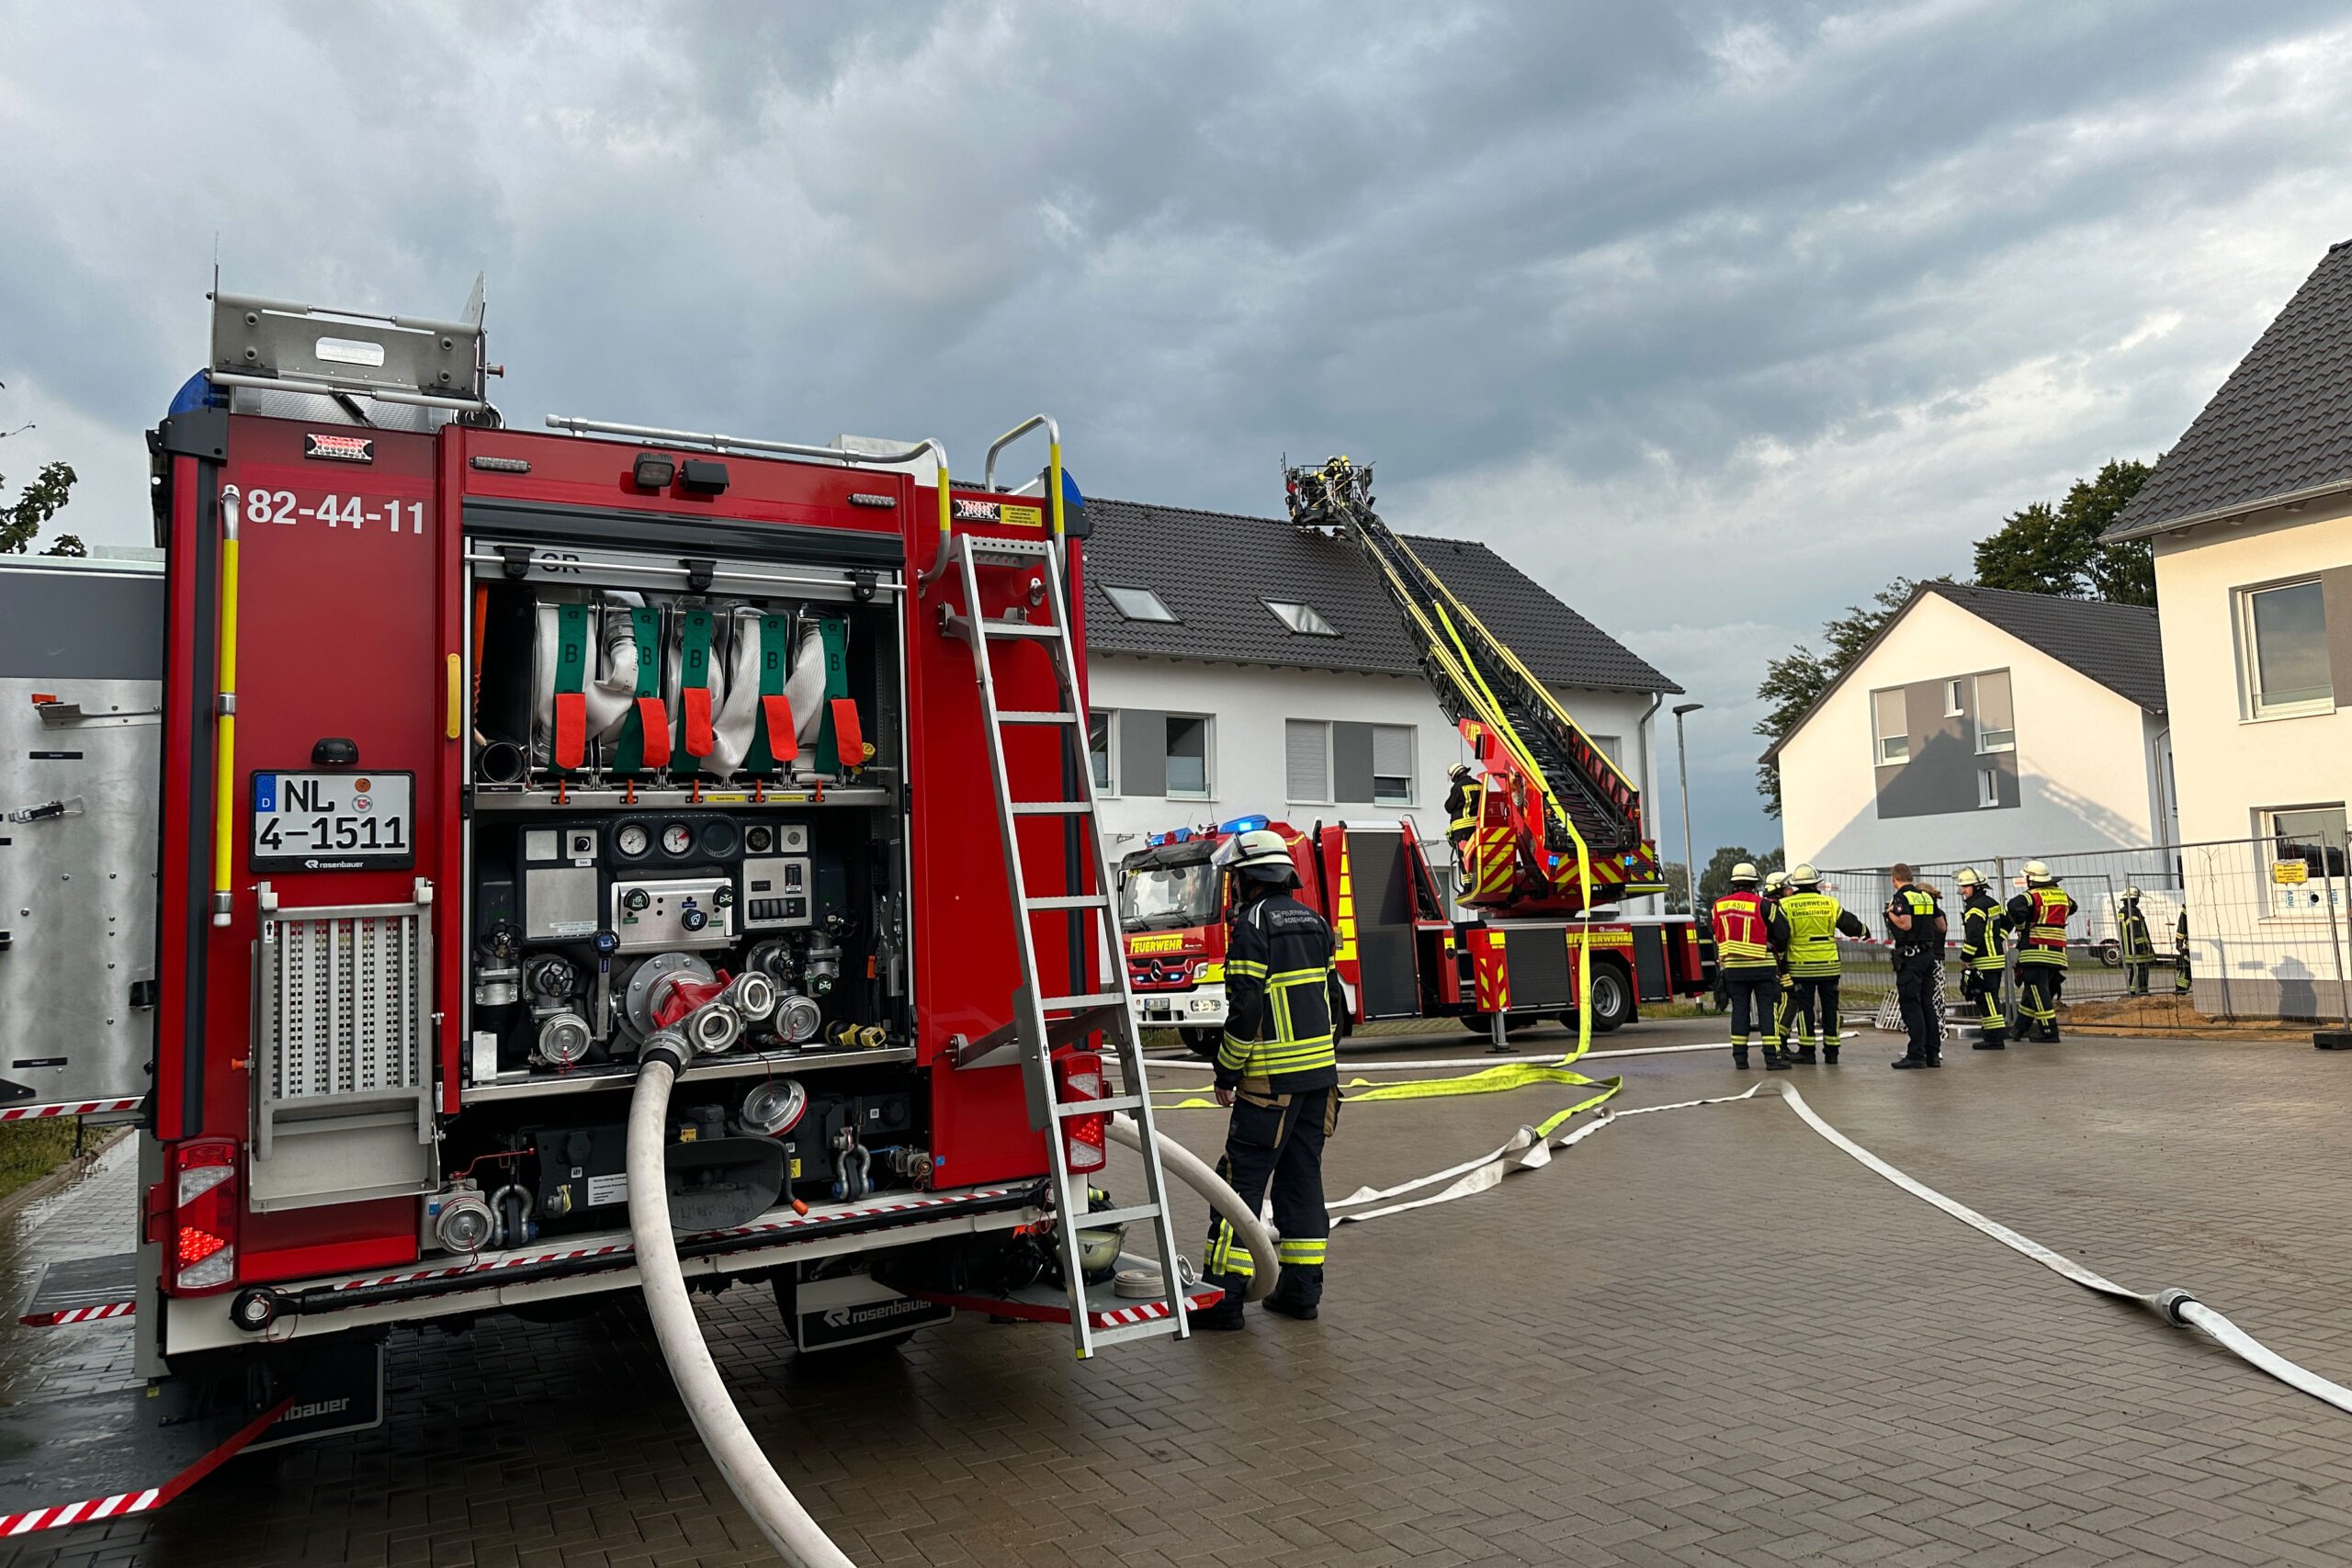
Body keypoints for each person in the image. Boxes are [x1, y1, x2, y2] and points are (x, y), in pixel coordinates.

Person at [1193, 828, 1340, 1330]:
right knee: (1302, 1182)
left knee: (1241, 1183)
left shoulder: (1253, 924)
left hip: (1269, 1083)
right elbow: (1334, 1005)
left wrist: (1226, 1071)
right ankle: (1301, 1293)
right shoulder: (1317, 923)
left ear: (1246, 879)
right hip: (1319, 1082)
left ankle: (1224, 1301)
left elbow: (1247, 1005)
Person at [1779, 863, 1867, 1064]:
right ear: (1816, 882)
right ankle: (1832, 1052)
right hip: (1829, 966)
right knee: (1830, 1009)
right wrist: (1864, 930)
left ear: (1796, 884)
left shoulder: (1785, 905)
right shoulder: (1830, 903)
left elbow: (1780, 934)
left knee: (1805, 1009)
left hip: (1801, 967)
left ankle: (1807, 1052)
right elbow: (1850, 926)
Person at [1710, 862, 1792, 1070]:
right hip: (1762, 966)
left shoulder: (1718, 906)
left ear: (1733, 883)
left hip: (1734, 968)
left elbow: (1716, 934)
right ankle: (1771, 1059)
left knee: (1739, 1011)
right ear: (1754, 883)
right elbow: (1783, 932)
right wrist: (1778, 953)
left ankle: (1740, 1059)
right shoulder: (1763, 905)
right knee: (1767, 1011)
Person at [1885, 863, 1947, 1068]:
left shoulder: (1901, 898)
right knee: (1927, 1004)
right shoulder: (1926, 897)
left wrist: (1889, 914)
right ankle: (1933, 1054)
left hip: (1911, 959)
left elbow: (1905, 924)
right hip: (1928, 956)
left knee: (1912, 1005)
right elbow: (1941, 926)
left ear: (1894, 879)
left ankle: (1916, 1055)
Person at [2007, 860, 2073, 1042]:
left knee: (2038, 990)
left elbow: (2013, 906)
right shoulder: (2062, 895)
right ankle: (2019, 1030)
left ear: (2030, 879)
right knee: (2032, 991)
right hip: (2057, 951)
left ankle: (2049, 1032)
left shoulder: (2032, 896)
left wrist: (2023, 925)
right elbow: (2072, 908)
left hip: (2036, 949)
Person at [1955, 867, 2010, 1049]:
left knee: (1987, 999)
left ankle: (1994, 1039)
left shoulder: (1975, 908)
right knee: (1988, 997)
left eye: (1966, 887)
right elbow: (2008, 921)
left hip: (1983, 960)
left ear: (1977, 887)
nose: (1963, 890)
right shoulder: (1991, 902)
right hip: (1995, 958)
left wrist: (1965, 957)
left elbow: (1974, 935)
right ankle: (1990, 1036)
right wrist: (1998, 938)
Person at [2117, 887, 2154, 997]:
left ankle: (2143, 989)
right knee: (2138, 968)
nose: (2138, 900)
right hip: (2136, 948)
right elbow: (2136, 930)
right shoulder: (2133, 912)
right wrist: (2142, 945)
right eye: (2137, 898)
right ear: (2133, 899)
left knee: (2141, 967)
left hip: (2127, 947)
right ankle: (2133, 991)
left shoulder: (2123, 911)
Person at [2175, 907, 2192, 998]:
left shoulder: (2187, 908)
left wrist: (2179, 941)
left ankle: (2180, 991)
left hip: (2191, 945)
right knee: (2187, 969)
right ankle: (2180, 992)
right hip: (2192, 945)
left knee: (2187, 969)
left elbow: (2182, 926)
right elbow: (2182, 925)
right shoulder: (2188, 908)